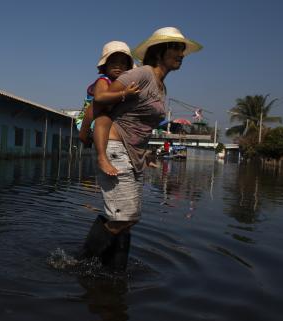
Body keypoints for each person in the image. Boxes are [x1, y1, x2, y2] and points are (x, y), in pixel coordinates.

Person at [78, 27, 202, 272]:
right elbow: (99, 103)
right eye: (176, 48)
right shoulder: (143, 74)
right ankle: (80, 262)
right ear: (159, 52)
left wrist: (146, 155)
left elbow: (141, 126)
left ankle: (115, 269)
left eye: (182, 49)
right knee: (127, 217)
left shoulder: (160, 86)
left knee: (124, 218)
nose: (181, 54)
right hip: (115, 148)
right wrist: (84, 132)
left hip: (133, 154)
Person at [79, 41, 140, 176]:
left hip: (109, 117)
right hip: (95, 117)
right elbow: (100, 98)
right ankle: (102, 157)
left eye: (123, 63)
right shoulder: (103, 80)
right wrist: (124, 94)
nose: (118, 66)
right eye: (113, 63)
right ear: (105, 66)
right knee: (104, 119)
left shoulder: (124, 83)